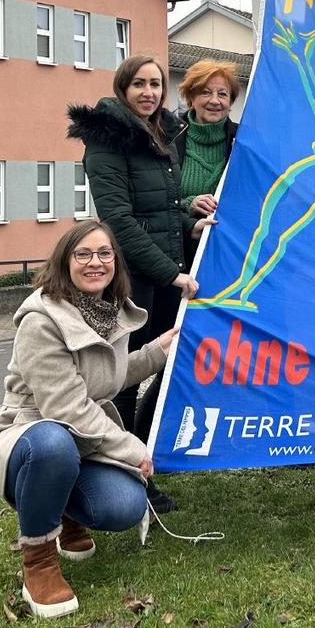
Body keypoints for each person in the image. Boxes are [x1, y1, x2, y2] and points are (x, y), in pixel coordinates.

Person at [0, 221, 178, 618]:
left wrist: (157, 351)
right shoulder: (41, 320)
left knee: (124, 505)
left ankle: (65, 515)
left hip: (82, 439)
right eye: (82, 254)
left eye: (104, 253)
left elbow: (104, 379)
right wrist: (132, 448)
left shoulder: (109, 312)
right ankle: (38, 560)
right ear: (64, 262)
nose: (95, 262)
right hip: (29, 434)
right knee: (54, 444)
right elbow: (65, 408)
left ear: (116, 262)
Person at [67, 55, 212, 510]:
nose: (149, 93)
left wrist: (192, 224)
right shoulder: (107, 140)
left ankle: (141, 461)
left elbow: (163, 212)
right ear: (123, 89)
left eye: (155, 85)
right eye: (139, 85)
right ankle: (124, 475)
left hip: (165, 275)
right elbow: (119, 221)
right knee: (124, 379)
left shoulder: (160, 134)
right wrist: (173, 273)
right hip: (132, 281)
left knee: (166, 367)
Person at [175, 59, 240, 220]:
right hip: (184, 235)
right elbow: (154, 201)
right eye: (205, 92)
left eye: (222, 94)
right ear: (191, 97)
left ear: (230, 101)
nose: (215, 101)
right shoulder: (169, 139)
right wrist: (187, 205)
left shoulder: (243, 140)